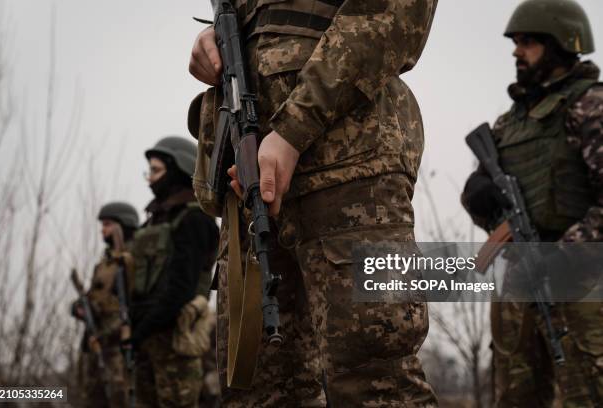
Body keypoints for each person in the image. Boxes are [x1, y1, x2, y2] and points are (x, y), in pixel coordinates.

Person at [188, 0, 439, 406]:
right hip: (249, 171)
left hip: (349, 166)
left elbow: (393, 16)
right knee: (257, 389)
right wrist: (213, 40)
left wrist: (291, 132)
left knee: (373, 380)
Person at [461, 0, 603, 406]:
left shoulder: (590, 107)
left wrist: (563, 255)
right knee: (515, 397)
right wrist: (478, 196)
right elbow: (490, 214)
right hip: (518, 284)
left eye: (527, 43)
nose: (516, 52)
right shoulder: (510, 123)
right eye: (515, 42)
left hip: (581, 286)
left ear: (560, 45)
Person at [129, 136, 219, 408]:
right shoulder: (153, 221)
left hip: (177, 338)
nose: (150, 180)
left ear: (179, 168)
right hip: (147, 338)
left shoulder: (194, 218)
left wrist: (142, 328)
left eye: (156, 171)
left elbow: (181, 287)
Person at [72, 201, 140, 408]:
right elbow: (94, 298)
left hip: (119, 345)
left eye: (108, 224)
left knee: (121, 398)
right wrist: (79, 307)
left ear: (123, 224)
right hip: (97, 342)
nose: (103, 229)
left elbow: (134, 301)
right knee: (92, 397)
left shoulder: (131, 259)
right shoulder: (104, 264)